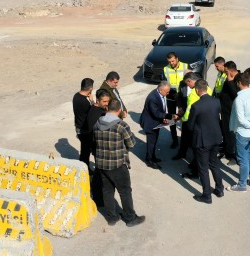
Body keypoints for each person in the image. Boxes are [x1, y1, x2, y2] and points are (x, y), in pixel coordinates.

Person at [93, 99, 146, 227]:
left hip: (101, 163)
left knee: (107, 191)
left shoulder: (97, 123)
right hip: (117, 164)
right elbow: (132, 144)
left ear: (107, 108)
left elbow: (94, 142)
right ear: (119, 110)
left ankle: (111, 217)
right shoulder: (121, 126)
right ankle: (130, 217)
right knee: (125, 191)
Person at [187, 79, 225, 203]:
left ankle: (207, 195)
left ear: (197, 90)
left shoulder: (196, 106)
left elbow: (190, 126)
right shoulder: (216, 101)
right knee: (214, 164)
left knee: (203, 168)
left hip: (202, 141)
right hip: (215, 138)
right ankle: (219, 189)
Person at [227, 73, 250, 192]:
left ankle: (242, 185)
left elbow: (241, 119)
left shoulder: (239, 99)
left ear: (240, 83)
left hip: (243, 132)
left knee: (243, 159)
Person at [139, 81, 175, 170]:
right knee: (151, 143)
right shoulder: (153, 98)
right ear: (161, 90)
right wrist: (170, 116)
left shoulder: (160, 94)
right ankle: (149, 160)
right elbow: (156, 113)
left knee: (154, 142)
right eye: (167, 92)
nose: (168, 93)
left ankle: (152, 157)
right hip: (150, 123)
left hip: (156, 122)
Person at [163, 52, 190, 148]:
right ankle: (174, 140)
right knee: (171, 118)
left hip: (182, 95)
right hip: (171, 96)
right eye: (169, 61)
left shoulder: (185, 66)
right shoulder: (166, 69)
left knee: (184, 117)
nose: (171, 63)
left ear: (177, 58)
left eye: (173, 61)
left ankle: (186, 140)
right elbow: (165, 82)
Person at [219, 61, 240, 164]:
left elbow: (237, 95)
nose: (225, 74)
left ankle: (234, 156)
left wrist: (231, 82)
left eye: (226, 72)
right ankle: (228, 152)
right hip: (225, 111)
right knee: (226, 132)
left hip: (232, 112)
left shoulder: (239, 79)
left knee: (232, 134)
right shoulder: (228, 78)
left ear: (231, 71)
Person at [73, 78, 94, 167]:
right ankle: (85, 170)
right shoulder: (85, 102)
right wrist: (92, 101)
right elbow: (93, 113)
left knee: (84, 151)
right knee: (85, 153)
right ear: (90, 89)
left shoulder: (76, 96)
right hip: (85, 130)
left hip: (78, 127)